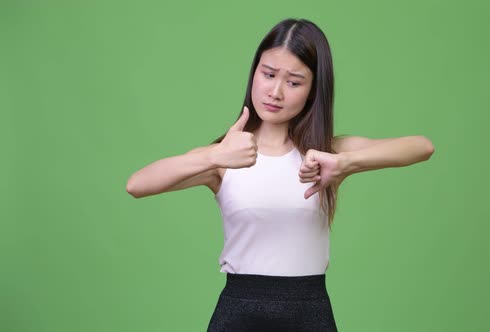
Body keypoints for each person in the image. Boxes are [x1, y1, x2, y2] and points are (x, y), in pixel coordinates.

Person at [126, 18, 435, 332]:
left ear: (313, 91)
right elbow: (137, 184)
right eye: (268, 74)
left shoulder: (327, 154)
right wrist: (215, 155)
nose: (275, 91)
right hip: (238, 314)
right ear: (254, 73)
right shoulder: (224, 158)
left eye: (294, 82)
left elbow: (421, 147)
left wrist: (345, 164)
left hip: (310, 314)